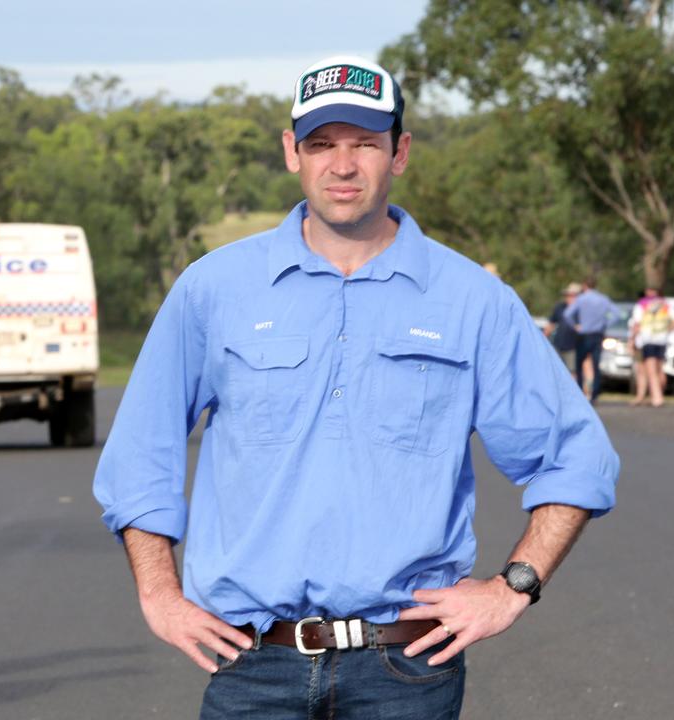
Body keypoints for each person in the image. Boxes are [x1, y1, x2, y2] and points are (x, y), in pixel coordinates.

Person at [92, 56, 619, 719]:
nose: (342, 165)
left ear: (398, 153)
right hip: (253, 664)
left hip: (408, 671)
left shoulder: (472, 300)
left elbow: (576, 457)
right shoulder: (213, 290)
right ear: (292, 152)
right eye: (322, 144)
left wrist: (514, 586)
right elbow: (142, 451)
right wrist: (159, 594)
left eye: (364, 143)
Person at [563, 277, 617, 404]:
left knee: (579, 365)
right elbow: (616, 313)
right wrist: (605, 324)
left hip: (583, 335)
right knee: (595, 365)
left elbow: (567, 314)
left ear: (584, 286)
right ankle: (595, 395)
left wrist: (575, 326)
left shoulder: (581, 299)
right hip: (598, 334)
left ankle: (580, 392)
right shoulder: (603, 299)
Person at [629, 287, 674, 408]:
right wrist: (669, 329)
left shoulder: (642, 304)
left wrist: (632, 340)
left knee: (651, 371)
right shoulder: (665, 304)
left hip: (648, 339)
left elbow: (637, 323)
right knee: (659, 370)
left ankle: (657, 398)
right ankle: (659, 394)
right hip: (662, 340)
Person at [544, 282, 582, 371]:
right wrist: (543, 338)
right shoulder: (560, 307)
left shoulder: (581, 310)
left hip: (573, 347)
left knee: (572, 371)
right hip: (558, 345)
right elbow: (551, 324)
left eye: (572, 295)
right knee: (555, 370)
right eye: (568, 295)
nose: (569, 297)